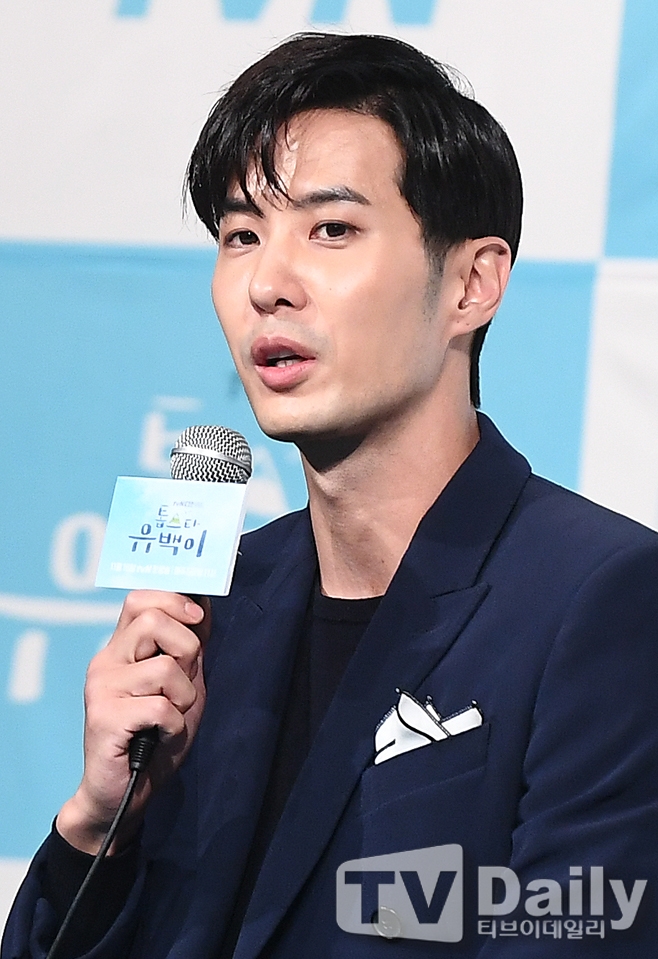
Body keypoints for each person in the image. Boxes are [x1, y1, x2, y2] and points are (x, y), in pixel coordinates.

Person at [3, 31, 658, 959]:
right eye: (241, 236)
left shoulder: (603, 598)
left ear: (472, 283)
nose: (268, 285)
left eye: (332, 229)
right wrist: (99, 822)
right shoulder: (215, 609)